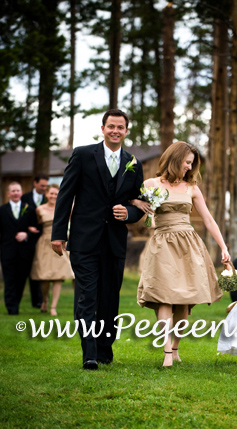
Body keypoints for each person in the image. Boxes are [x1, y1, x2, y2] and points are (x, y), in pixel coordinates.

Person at [51, 109, 144, 370]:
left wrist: (129, 213)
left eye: (120, 127)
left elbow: (140, 204)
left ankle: (104, 349)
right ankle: (89, 353)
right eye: (111, 126)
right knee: (87, 298)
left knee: (109, 299)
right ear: (102, 128)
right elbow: (65, 195)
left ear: (126, 131)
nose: (115, 131)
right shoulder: (82, 154)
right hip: (84, 240)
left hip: (114, 242)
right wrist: (59, 233)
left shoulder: (133, 162)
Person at [135, 141, 231, 367]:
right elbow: (135, 205)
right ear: (174, 158)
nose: (189, 167)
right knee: (164, 297)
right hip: (162, 245)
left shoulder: (192, 188)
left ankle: (176, 348)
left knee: (185, 304)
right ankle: (167, 352)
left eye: (192, 164)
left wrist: (224, 247)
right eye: (187, 162)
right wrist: (135, 202)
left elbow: (208, 219)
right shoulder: (150, 184)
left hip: (188, 245)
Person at [31, 184, 74, 316]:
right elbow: (36, 224)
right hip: (44, 244)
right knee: (45, 277)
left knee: (58, 276)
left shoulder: (66, 208)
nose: (54, 196)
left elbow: (71, 223)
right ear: (46, 194)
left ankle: (53, 307)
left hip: (60, 242)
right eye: (51, 194)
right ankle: (45, 300)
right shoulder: (39, 209)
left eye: (56, 194)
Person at [0, 182, 37, 315]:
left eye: (18, 190)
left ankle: (16, 303)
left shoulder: (30, 209)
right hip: (7, 251)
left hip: (24, 252)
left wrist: (26, 234)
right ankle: (12, 308)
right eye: (13, 191)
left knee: (21, 280)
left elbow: (36, 230)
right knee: (9, 280)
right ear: (8, 193)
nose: (16, 193)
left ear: (21, 193)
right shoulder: (2, 210)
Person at [21, 173, 49, 309]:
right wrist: (27, 228)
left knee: (40, 269)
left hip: (43, 240)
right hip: (28, 241)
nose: (44, 188)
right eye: (42, 185)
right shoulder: (24, 198)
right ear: (35, 183)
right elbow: (19, 219)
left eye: (46, 186)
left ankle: (39, 300)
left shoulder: (48, 199)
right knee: (27, 270)